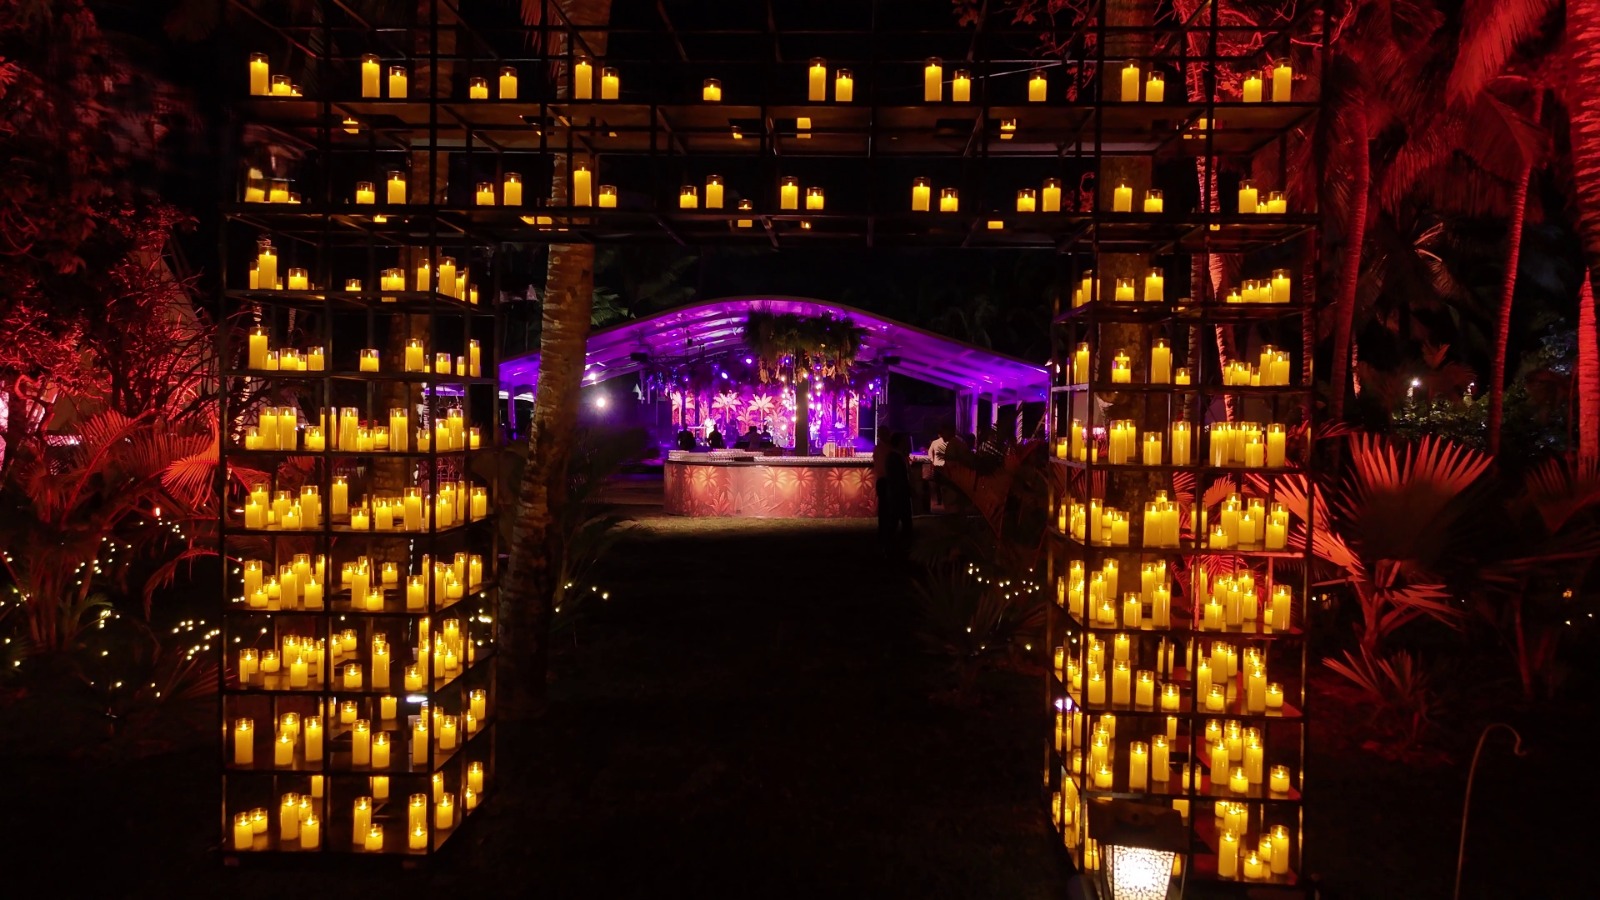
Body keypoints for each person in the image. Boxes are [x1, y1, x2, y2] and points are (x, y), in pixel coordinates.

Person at [926, 427, 951, 508]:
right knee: (946, 484)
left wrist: (932, 460)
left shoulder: (934, 442)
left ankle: (939, 500)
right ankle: (946, 501)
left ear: (938, 434)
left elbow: (930, 452)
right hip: (945, 466)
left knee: (937, 484)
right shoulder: (948, 442)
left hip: (937, 466)